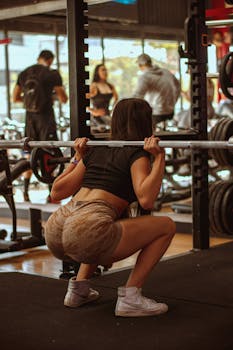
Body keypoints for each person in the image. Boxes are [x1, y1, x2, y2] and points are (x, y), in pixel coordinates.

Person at [44, 98, 176, 317]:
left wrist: (77, 158)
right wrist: (160, 157)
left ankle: (78, 290)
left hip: (56, 227)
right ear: (146, 123)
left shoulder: (97, 149)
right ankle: (131, 298)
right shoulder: (137, 153)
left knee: (101, 226)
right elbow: (146, 200)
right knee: (167, 226)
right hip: (86, 228)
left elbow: (56, 192)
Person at [12, 50, 68, 202]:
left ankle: (25, 192)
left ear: (38, 58)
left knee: (30, 155)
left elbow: (15, 97)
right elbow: (64, 98)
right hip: (46, 119)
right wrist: (50, 98)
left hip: (30, 119)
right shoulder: (52, 74)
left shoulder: (24, 73)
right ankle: (51, 194)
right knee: (49, 154)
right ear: (50, 60)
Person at [133, 53, 181, 131]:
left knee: (153, 137)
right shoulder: (166, 72)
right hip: (170, 111)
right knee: (168, 137)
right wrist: (172, 102)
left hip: (155, 113)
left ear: (140, 65)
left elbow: (138, 95)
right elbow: (178, 88)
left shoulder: (145, 77)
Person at [88, 64, 118, 132]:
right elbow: (81, 100)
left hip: (107, 117)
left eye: (106, 70)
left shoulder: (110, 85)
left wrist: (112, 110)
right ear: (97, 72)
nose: (105, 72)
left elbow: (116, 99)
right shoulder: (94, 86)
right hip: (97, 119)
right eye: (103, 70)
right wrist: (93, 111)